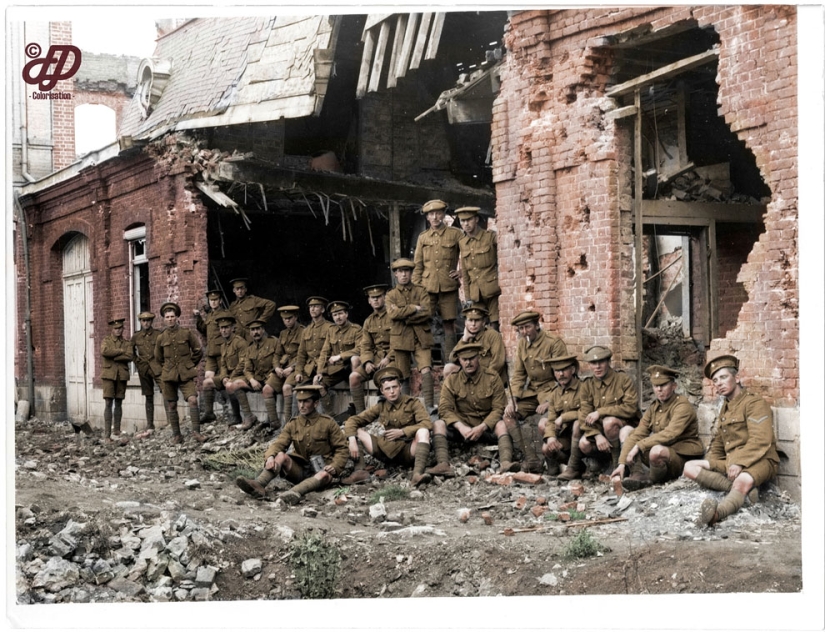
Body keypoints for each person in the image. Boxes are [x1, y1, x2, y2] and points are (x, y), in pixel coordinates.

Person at [684, 355, 778, 526]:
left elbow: (761, 440)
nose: (718, 383)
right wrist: (712, 463)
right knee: (689, 467)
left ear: (737, 378)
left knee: (742, 480)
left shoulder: (754, 403)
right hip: (732, 462)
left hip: (761, 459)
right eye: (715, 380)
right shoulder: (725, 408)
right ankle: (744, 492)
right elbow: (719, 442)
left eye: (723, 377)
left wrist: (739, 463)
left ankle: (716, 515)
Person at [235, 385, 348, 505]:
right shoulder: (293, 423)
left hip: (321, 473)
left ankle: (293, 493)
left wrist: (335, 466)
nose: (302, 405)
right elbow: (279, 443)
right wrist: (270, 456)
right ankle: (259, 484)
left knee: (324, 474)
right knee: (280, 455)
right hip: (300, 471)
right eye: (299, 401)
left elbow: (342, 448)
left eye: (306, 401)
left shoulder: (328, 423)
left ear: (316, 403)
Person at [609, 365, 704, 491]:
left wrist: (638, 446)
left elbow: (670, 434)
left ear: (674, 386)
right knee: (627, 432)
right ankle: (636, 474)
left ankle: (650, 480)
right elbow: (639, 433)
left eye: (663, 385)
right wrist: (622, 463)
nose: (659, 390)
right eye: (655, 386)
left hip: (682, 456)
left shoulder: (682, 406)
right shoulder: (654, 407)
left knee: (656, 451)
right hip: (662, 453)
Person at [428, 343, 512, 476]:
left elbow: (499, 408)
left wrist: (482, 427)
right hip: (462, 428)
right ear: (459, 360)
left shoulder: (492, 377)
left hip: (486, 426)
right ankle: (443, 464)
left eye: (472, 358)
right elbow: (444, 409)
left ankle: (506, 463)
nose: (468, 362)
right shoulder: (452, 380)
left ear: (478, 357)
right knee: (438, 424)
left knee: (502, 424)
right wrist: (461, 427)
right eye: (464, 359)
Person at [342, 366, 433, 487]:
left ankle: (417, 474)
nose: (392, 391)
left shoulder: (413, 403)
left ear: (400, 387)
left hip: (407, 451)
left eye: (394, 387)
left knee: (423, 431)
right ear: (382, 391)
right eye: (387, 388)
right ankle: (360, 471)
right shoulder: (381, 406)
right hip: (385, 450)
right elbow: (353, 420)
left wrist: (403, 432)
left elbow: (427, 423)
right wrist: (352, 440)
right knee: (355, 431)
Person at [504, 310, 568, 472]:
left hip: (552, 391)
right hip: (532, 392)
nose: (524, 332)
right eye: (520, 329)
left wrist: (549, 402)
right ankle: (531, 457)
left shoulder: (553, 343)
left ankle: (552, 458)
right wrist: (513, 400)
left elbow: (563, 377)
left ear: (537, 325)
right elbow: (519, 375)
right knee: (508, 415)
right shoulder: (522, 345)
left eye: (527, 327)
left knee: (545, 420)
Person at [412, 199, 463, 361]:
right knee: (423, 322)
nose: (435, 217)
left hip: (448, 286)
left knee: (449, 324)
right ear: (427, 217)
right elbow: (418, 265)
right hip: (427, 287)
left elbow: (470, 255)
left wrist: (461, 272)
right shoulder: (423, 237)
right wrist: (417, 289)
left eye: (438, 213)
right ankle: (425, 361)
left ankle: (451, 361)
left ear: (443, 215)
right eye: (431, 214)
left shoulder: (455, 234)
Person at [577, 345, 641, 473]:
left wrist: (601, 412)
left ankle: (618, 463)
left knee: (609, 422)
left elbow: (631, 408)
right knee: (584, 443)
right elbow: (584, 414)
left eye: (601, 362)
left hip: (626, 426)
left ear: (609, 362)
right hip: (601, 430)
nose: (597, 367)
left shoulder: (623, 380)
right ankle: (603, 463)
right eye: (593, 363)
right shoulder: (587, 385)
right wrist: (597, 435)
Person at [386, 258, 435, 409]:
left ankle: (429, 407)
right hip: (401, 339)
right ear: (395, 274)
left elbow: (427, 312)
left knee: (426, 369)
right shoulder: (391, 295)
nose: (404, 275)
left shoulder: (421, 291)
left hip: (421, 336)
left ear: (411, 273)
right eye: (400, 271)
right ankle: (406, 409)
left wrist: (405, 317)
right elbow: (392, 314)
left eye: (407, 271)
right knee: (403, 374)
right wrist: (413, 308)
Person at [154, 302, 205, 444]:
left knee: (193, 400)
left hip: (185, 375)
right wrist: (167, 368)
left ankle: (196, 433)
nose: (170, 319)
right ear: (164, 319)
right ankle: (177, 435)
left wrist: (189, 365)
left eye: (172, 316)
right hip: (169, 376)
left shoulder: (186, 333)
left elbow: (198, 351)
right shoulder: (161, 338)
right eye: (167, 317)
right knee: (171, 404)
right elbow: (158, 358)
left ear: (177, 317)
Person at [227, 319, 281, 430]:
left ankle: (274, 422)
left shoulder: (273, 342)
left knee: (267, 389)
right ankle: (249, 417)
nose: (255, 332)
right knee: (235, 385)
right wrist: (251, 380)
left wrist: (275, 371)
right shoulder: (250, 348)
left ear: (263, 330)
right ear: (250, 332)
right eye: (252, 330)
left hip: (273, 376)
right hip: (258, 379)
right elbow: (247, 369)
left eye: (257, 329)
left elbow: (280, 359)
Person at [537, 354, 585, 477]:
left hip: (583, 436)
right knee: (546, 447)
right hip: (565, 438)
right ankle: (555, 467)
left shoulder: (584, 388)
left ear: (573, 370)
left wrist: (563, 417)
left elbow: (586, 413)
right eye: (557, 371)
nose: (561, 374)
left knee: (577, 424)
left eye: (564, 370)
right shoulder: (555, 394)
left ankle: (574, 467)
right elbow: (551, 418)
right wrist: (551, 437)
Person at [314, 301, 363, 415]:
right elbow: (324, 352)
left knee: (354, 359)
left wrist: (340, 356)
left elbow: (360, 348)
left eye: (340, 313)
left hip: (352, 367)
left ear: (346, 314)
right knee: (317, 382)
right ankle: (330, 415)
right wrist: (320, 371)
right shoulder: (331, 330)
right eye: (335, 315)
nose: (338, 317)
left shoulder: (356, 329)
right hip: (338, 369)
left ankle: (359, 411)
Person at [456, 206, 501, 329]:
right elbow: (465, 274)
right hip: (475, 294)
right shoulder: (463, 243)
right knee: (476, 326)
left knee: (495, 325)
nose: (466, 224)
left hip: (492, 289)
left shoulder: (489, 237)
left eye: (469, 220)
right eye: (462, 221)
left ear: (476, 219)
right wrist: (468, 297)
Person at [351, 284, 393, 414]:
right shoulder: (368, 321)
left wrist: (388, 358)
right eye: (372, 298)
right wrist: (367, 361)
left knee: (386, 377)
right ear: (369, 301)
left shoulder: (393, 316)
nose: (375, 300)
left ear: (385, 297)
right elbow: (365, 346)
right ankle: (361, 414)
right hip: (375, 359)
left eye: (378, 297)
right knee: (354, 377)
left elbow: (399, 342)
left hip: (393, 357)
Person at [442, 303, 505, 383]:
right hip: (470, 374)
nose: (473, 324)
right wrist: (464, 339)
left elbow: (498, 363)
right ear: (465, 323)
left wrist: (485, 378)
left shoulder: (492, 335)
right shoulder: (466, 337)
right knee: (448, 368)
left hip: (487, 376)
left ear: (483, 322)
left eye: (477, 320)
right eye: (470, 320)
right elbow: (452, 359)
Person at [205, 312, 248, 426]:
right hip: (229, 376)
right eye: (221, 328)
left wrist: (230, 377)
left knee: (229, 385)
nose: (224, 330)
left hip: (240, 374)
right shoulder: (223, 345)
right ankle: (209, 413)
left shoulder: (240, 342)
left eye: (226, 327)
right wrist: (224, 377)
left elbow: (243, 363)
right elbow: (223, 365)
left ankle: (237, 415)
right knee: (207, 383)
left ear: (232, 328)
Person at [265, 305, 305, 425]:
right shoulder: (283, 333)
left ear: (296, 317)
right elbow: (277, 354)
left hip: (297, 367)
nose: (287, 321)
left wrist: (291, 368)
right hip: (283, 368)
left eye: (290, 318)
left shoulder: (303, 332)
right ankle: (274, 423)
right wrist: (277, 367)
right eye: (284, 319)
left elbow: (304, 355)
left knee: (286, 388)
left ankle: (288, 424)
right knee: (266, 389)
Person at [289, 296, 334, 398]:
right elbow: (301, 354)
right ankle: (295, 415)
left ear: (322, 310)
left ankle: (326, 413)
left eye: (316, 306)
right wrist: (298, 372)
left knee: (318, 389)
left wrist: (322, 370)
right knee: (297, 392)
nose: (312, 309)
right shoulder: (306, 330)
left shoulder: (330, 327)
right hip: (309, 369)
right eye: (310, 307)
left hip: (325, 367)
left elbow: (332, 351)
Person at [194, 289, 226, 424]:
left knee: (224, 379)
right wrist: (198, 317)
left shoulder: (224, 315)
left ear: (220, 301)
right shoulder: (210, 316)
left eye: (215, 300)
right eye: (211, 300)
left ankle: (227, 410)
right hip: (211, 353)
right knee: (208, 379)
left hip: (222, 352)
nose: (213, 302)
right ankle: (209, 412)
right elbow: (204, 329)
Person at [100, 318, 133, 442]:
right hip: (108, 375)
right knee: (108, 402)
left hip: (121, 375)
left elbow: (130, 356)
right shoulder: (106, 341)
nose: (118, 331)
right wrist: (120, 352)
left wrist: (115, 357)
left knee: (119, 402)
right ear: (112, 330)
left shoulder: (126, 343)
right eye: (116, 329)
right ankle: (107, 434)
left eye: (120, 328)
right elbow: (105, 351)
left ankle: (117, 430)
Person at [131, 311, 164, 432]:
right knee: (148, 396)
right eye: (143, 321)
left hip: (157, 367)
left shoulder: (158, 334)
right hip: (143, 369)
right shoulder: (136, 336)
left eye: (148, 321)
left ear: (151, 322)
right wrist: (137, 363)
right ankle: (150, 424)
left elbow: (163, 350)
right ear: (140, 322)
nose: (146, 323)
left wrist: (161, 363)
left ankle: (171, 422)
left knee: (166, 391)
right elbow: (131, 352)